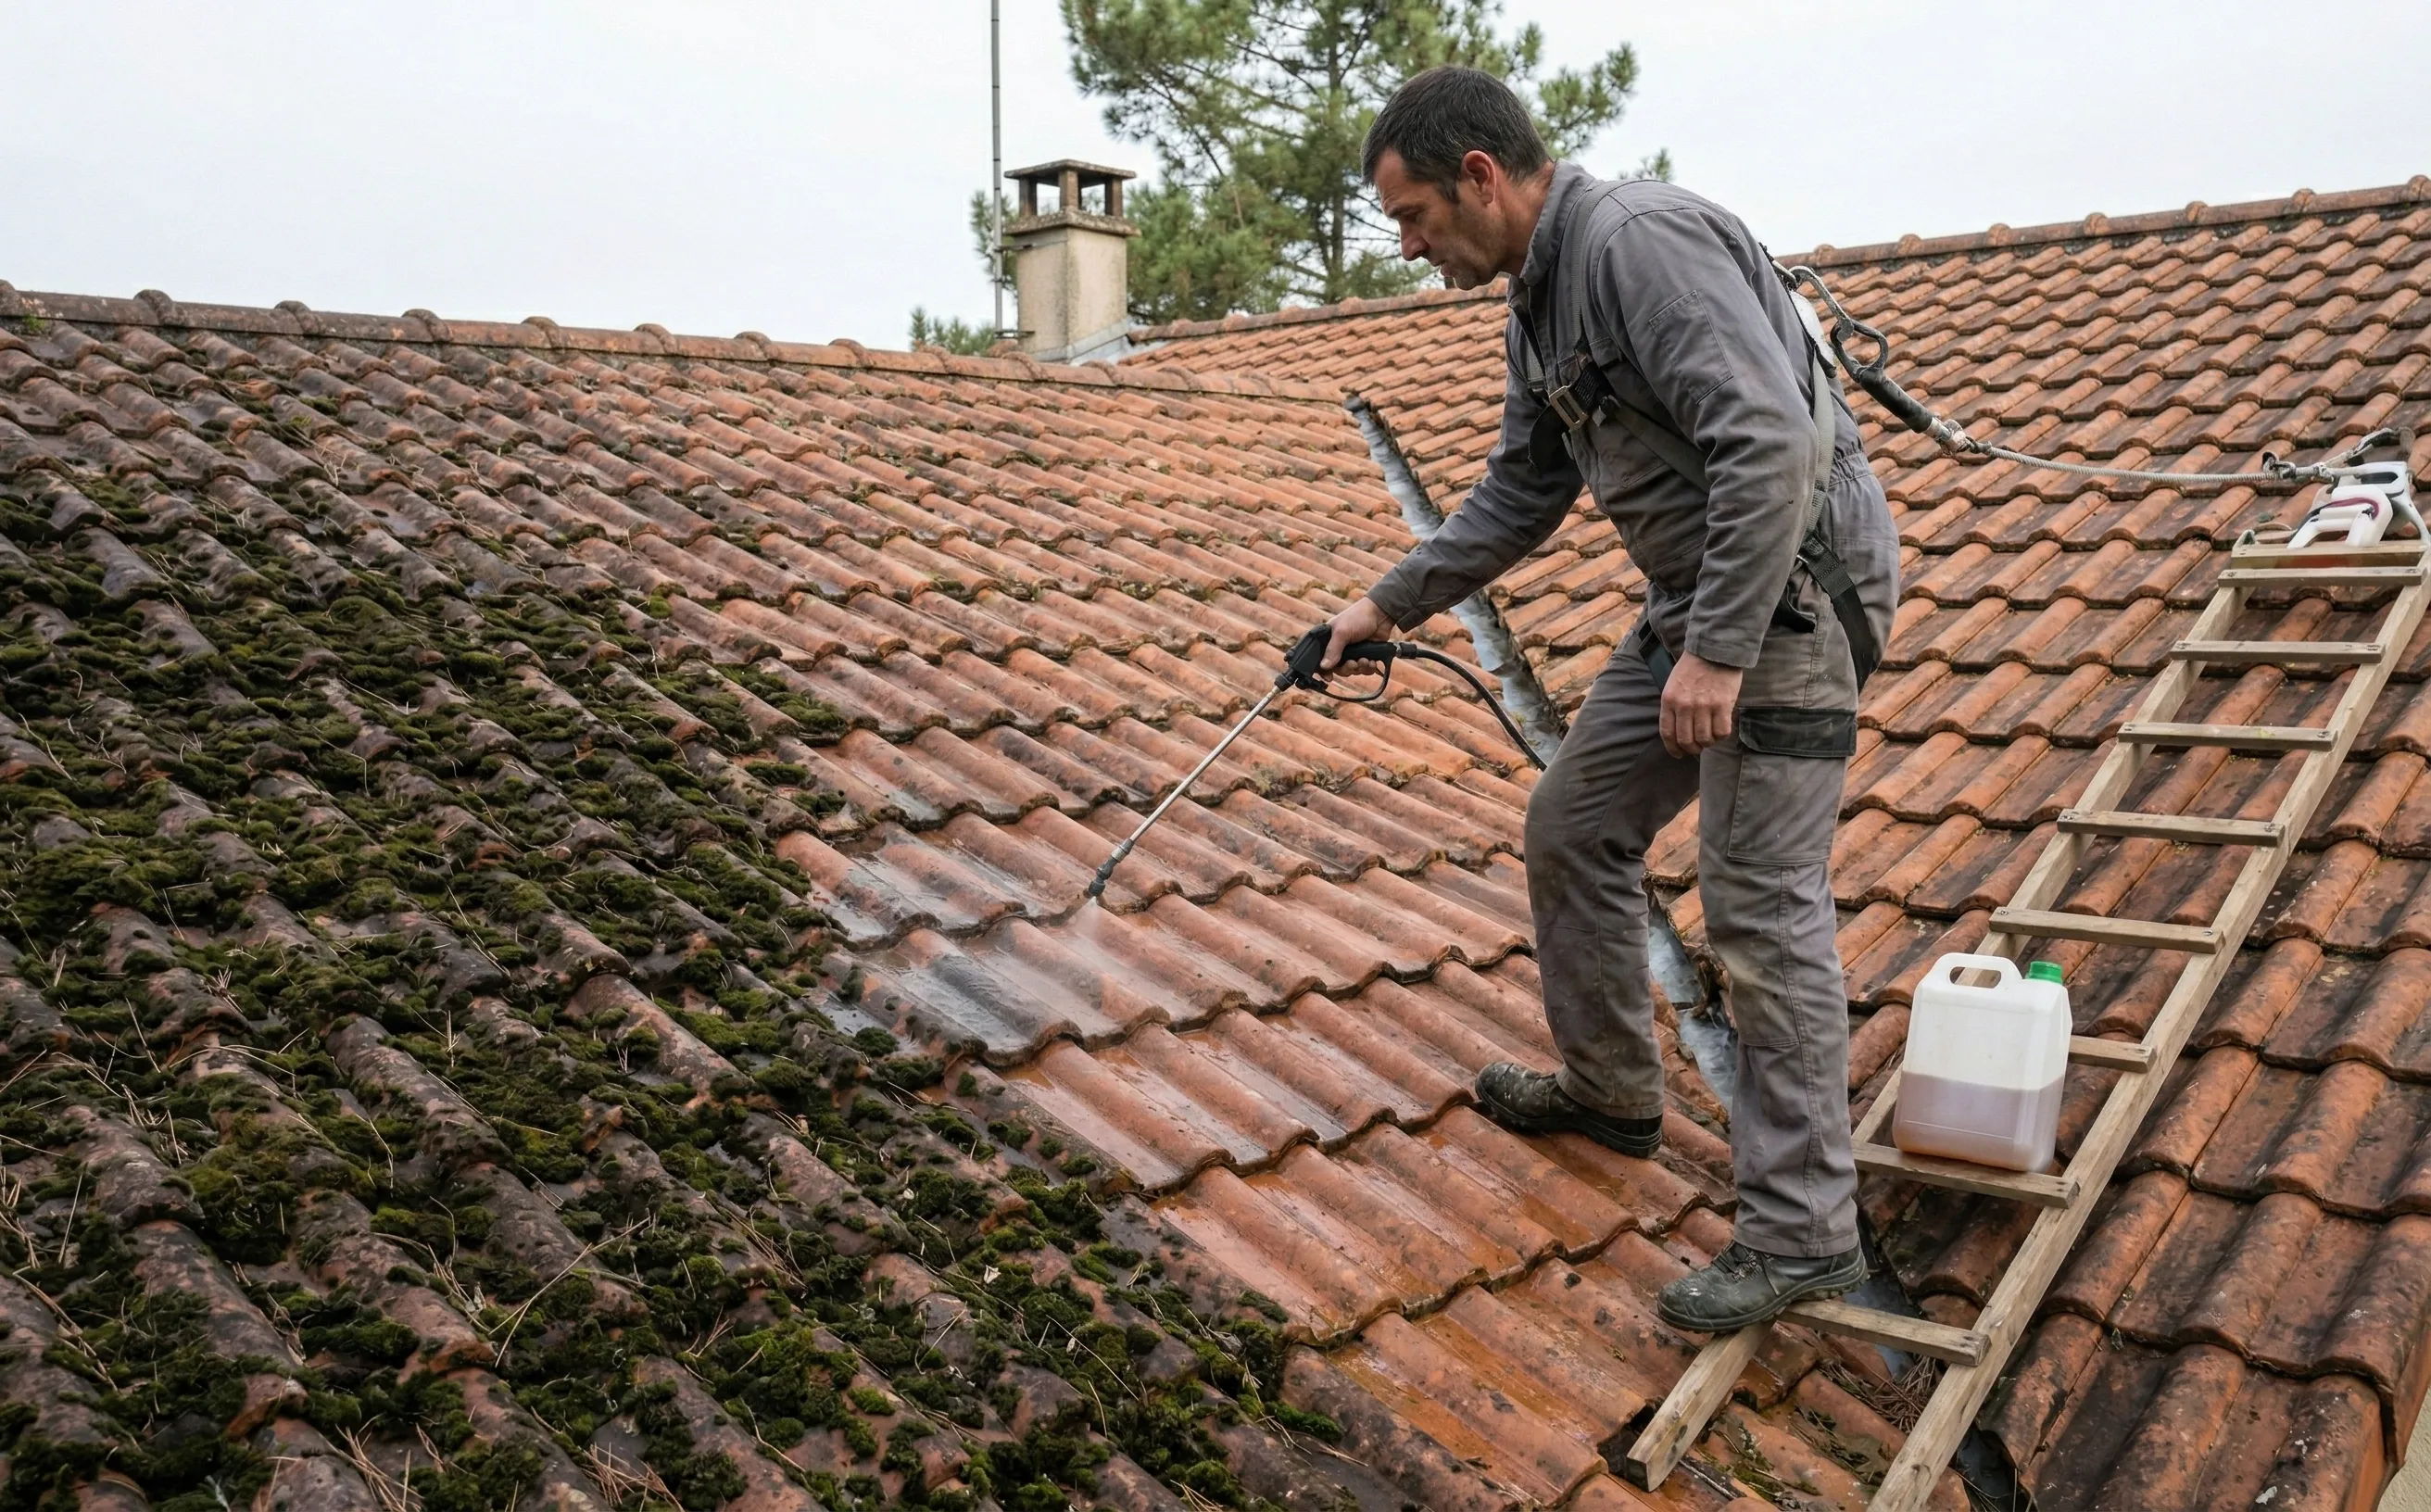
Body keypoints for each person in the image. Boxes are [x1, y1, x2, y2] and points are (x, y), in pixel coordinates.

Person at [1323, 66, 1900, 1332]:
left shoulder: (1638, 243)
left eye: (1416, 217)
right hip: (1702, 603)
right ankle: (1611, 1091)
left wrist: (1720, 653)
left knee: (1753, 903)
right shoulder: (1538, 301)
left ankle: (1803, 1232)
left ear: (1482, 176)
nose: (1412, 248)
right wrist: (1384, 604)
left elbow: (1771, 443)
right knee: (1572, 825)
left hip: (1793, 593)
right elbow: (1520, 491)